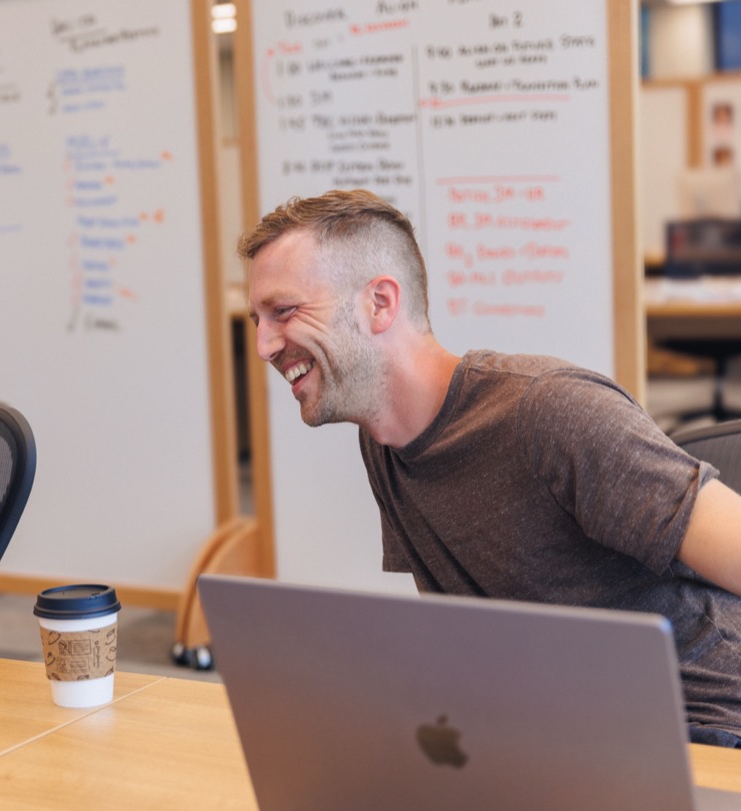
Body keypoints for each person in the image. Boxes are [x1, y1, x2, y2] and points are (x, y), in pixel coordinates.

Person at [239, 189, 741, 745]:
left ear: (380, 303)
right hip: (568, 735)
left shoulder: (549, 412)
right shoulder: (383, 441)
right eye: (257, 319)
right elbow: (470, 640)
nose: (263, 345)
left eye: (283, 312)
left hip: (705, 725)